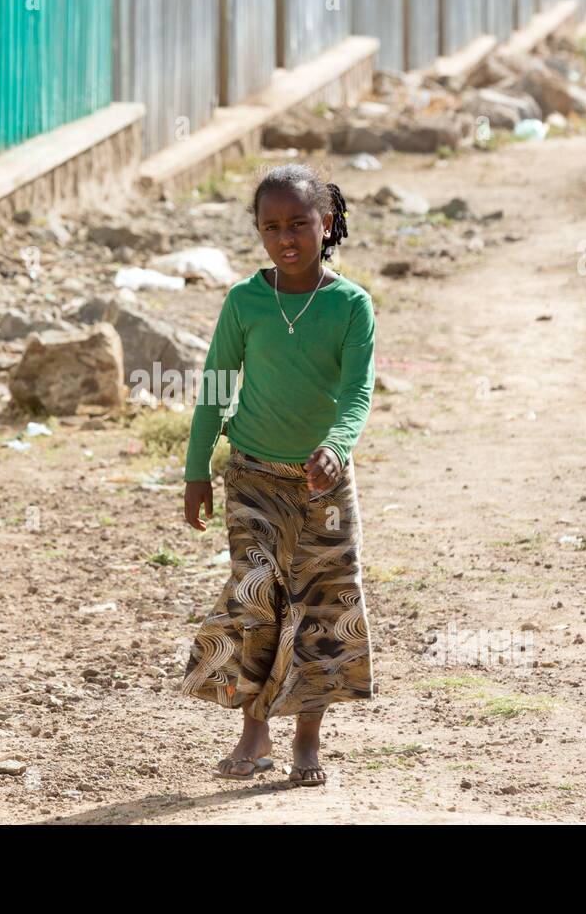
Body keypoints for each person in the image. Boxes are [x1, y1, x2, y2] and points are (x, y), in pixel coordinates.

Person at [181, 163, 375, 787]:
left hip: (324, 485)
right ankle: (254, 728)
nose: (286, 238)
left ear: (327, 225)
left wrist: (336, 447)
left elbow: (356, 393)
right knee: (256, 594)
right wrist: (195, 471)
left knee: (322, 605)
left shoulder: (350, 306)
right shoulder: (245, 301)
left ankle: (308, 738)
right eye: (272, 227)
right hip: (253, 477)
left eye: (299, 223)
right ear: (258, 232)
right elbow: (214, 387)